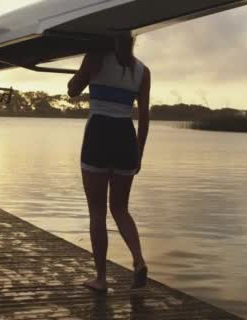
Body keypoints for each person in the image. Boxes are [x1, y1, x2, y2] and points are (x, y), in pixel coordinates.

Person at [67, 32, 151, 292]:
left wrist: (86, 68)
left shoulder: (95, 58)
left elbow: (72, 90)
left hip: (98, 136)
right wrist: (139, 152)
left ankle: (101, 278)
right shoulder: (142, 71)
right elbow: (145, 117)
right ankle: (138, 261)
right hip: (125, 138)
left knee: (97, 212)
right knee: (120, 208)